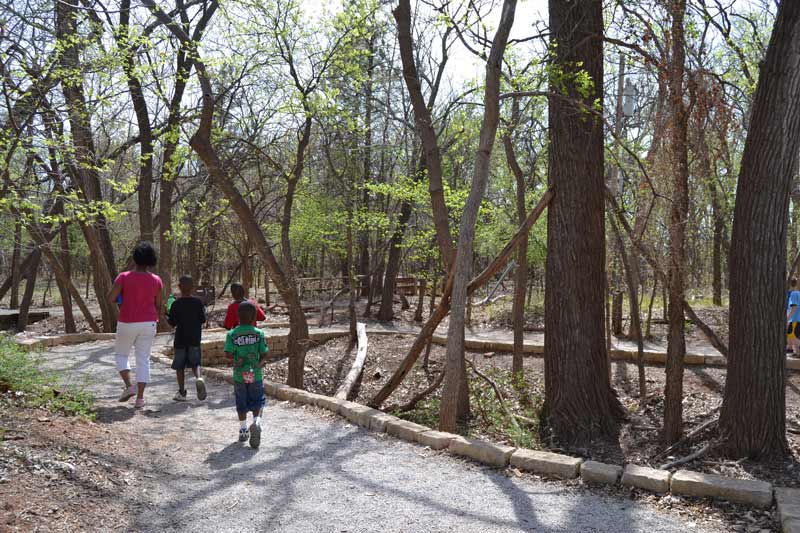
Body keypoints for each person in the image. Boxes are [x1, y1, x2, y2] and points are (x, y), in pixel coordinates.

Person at [108, 242, 163, 409]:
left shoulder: (123, 277)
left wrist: (122, 298)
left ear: (135, 258)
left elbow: (111, 297)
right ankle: (140, 399)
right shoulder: (156, 280)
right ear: (151, 260)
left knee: (121, 355)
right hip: (149, 322)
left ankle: (128, 386)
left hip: (127, 322)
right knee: (143, 359)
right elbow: (159, 304)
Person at [224, 301, 268, 448]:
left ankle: (243, 430)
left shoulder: (232, 334)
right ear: (254, 317)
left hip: (239, 375)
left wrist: (236, 359)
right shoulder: (259, 333)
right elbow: (264, 354)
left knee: (241, 402)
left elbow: (228, 354)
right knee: (258, 401)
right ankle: (256, 423)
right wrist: (260, 363)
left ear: (237, 316)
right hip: (255, 374)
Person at [167, 275, 207, 402]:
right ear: (193, 287)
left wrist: (165, 316)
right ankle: (199, 378)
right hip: (195, 338)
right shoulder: (198, 302)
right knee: (195, 363)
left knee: (180, 367)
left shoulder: (176, 304)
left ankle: (182, 392)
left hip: (180, 339)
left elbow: (172, 323)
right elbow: (203, 320)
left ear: (179, 287)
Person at [788, 278, 800, 356]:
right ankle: (797, 353)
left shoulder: (793, 293)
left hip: (795, 318)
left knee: (793, 335)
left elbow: (794, 307)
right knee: (791, 335)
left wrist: (788, 317)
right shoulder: (798, 293)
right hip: (797, 318)